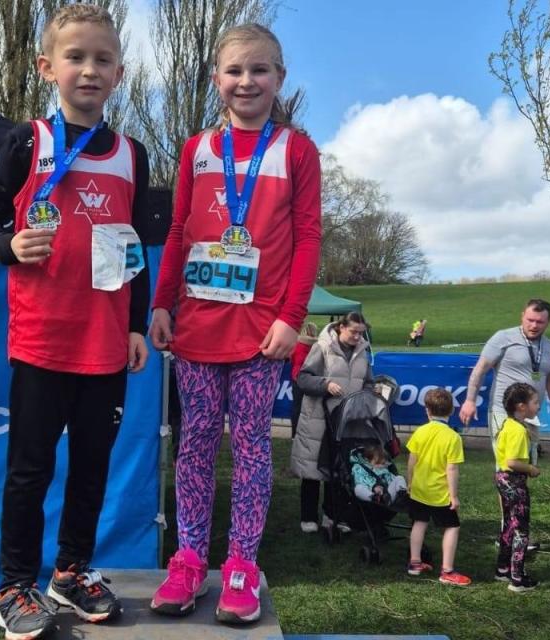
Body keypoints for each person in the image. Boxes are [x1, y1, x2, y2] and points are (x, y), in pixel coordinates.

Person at [0, 5, 150, 637]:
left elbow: (133, 249)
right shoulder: (28, 141)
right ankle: (15, 585)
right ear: (48, 67)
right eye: (76, 57)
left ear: (120, 73)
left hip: (106, 343)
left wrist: (135, 322)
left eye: (103, 59)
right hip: (43, 340)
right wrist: (9, 245)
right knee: (30, 470)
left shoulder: (133, 153)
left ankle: (71, 571)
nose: (90, 69)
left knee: (93, 465)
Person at [147, 23, 321, 624]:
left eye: (260, 70)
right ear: (217, 78)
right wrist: (162, 303)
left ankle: (241, 565)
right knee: (194, 445)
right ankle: (191, 560)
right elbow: (176, 231)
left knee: (250, 449)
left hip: (260, 336)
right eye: (235, 71)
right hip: (195, 328)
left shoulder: (295, 150)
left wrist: (292, 319)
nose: (246, 81)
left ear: (280, 77)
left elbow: (307, 238)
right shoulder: (197, 147)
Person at [291, 313, 373, 534]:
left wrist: (369, 394)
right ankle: (308, 517)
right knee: (312, 469)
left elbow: (367, 382)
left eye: (361, 332)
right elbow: (304, 378)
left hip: (346, 421)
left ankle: (332, 515)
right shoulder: (322, 347)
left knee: (339, 470)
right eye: (353, 331)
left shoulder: (362, 352)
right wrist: (325, 384)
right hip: (318, 419)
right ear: (341, 327)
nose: (357, 336)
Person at [459, 299, 550, 463]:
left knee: (528, 461)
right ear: (522, 316)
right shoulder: (503, 338)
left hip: (531, 414)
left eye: (540, 322)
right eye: (530, 320)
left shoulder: (549, 346)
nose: (534, 325)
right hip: (504, 413)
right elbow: (480, 370)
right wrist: (469, 400)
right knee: (507, 464)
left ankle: (522, 489)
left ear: (548, 322)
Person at [405, 388, 471, 586]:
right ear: (451, 411)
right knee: (452, 527)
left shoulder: (420, 432)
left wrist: (410, 482)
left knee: (419, 522)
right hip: (440, 493)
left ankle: (414, 563)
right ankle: (447, 571)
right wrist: (454, 495)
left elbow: (411, 461)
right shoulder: (453, 438)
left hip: (419, 489)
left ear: (427, 410)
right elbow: (451, 469)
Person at [493, 382, 542, 593]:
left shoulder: (508, 424)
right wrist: (531, 468)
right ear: (522, 406)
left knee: (509, 525)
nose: (538, 406)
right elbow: (512, 461)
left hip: (503, 480)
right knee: (521, 529)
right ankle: (517, 577)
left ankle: (503, 568)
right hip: (514, 481)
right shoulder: (518, 431)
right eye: (535, 402)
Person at [290, 321, 320, 439]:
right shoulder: (318, 345)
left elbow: (291, 359)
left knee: (296, 406)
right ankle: (309, 433)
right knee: (312, 407)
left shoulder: (296, 345)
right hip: (313, 378)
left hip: (297, 377)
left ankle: (294, 434)